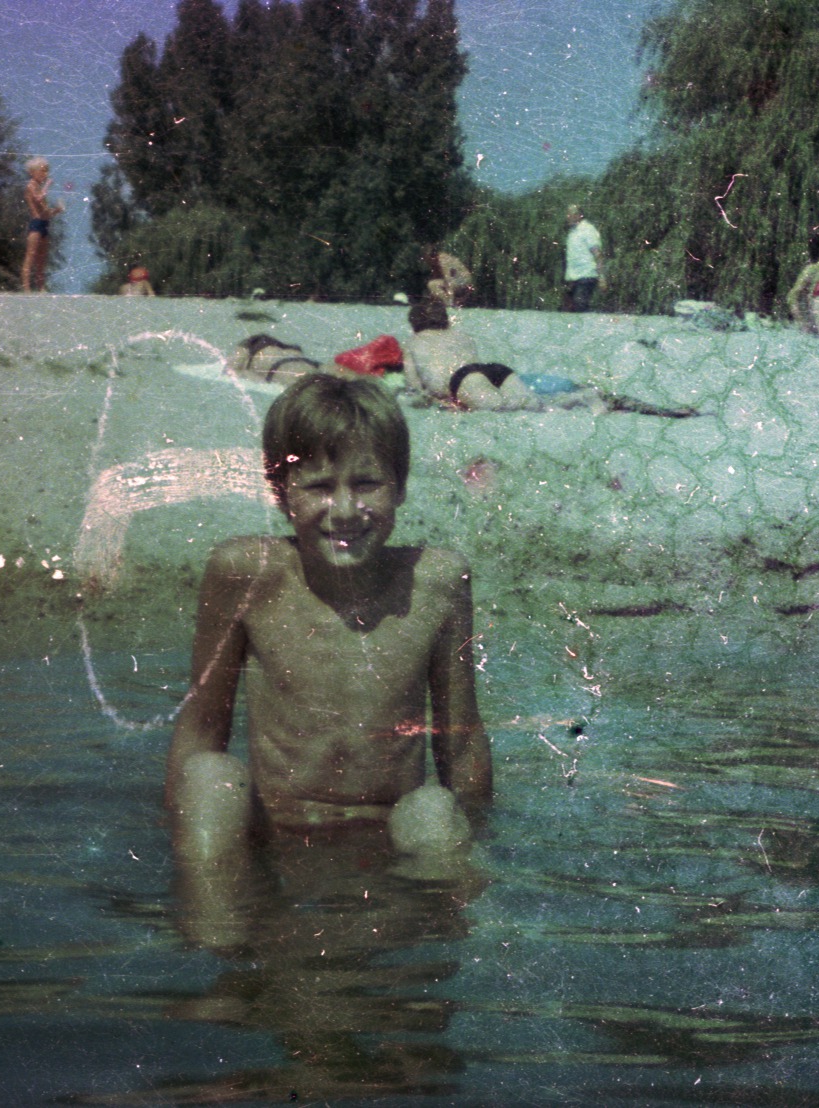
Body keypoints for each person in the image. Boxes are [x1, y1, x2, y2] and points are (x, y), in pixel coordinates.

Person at [165, 373, 493, 867]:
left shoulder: (437, 582)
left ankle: (446, 923)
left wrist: (480, 837)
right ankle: (214, 924)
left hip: (389, 832)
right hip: (272, 826)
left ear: (400, 487)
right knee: (210, 779)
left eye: (366, 483)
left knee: (432, 810)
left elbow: (461, 740)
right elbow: (201, 724)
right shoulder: (247, 573)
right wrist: (178, 832)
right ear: (281, 493)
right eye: (318, 486)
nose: (344, 510)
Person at [403, 298, 696, 417]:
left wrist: (434, 400)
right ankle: (587, 398)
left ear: (415, 323)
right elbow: (470, 365)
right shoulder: (461, 336)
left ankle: (587, 400)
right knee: (534, 405)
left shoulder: (415, 342)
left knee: (502, 410)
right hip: (490, 370)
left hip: (463, 379)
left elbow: (416, 384)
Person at [21, 157, 64, 292]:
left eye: (46, 172)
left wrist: (57, 210)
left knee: (42, 259)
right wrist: (47, 185)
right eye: (42, 171)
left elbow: (46, 212)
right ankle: (26, 288)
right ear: (33, 172)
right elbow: (38, 199)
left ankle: (41, 287)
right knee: (30, 256)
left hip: (44, 224)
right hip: (36, 224)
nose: (45, 175)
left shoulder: (38, 188)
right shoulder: (31, 186)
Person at [563, 204, 604, 312]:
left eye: (571, 214)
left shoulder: (588, 230)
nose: (568, 216)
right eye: (567, 213)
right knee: (569, 311)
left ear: (579, 215)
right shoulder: (572, 232)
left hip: (586, 275)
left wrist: (602, 277)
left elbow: (597, 254)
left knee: (580, 307)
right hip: (573, 277)